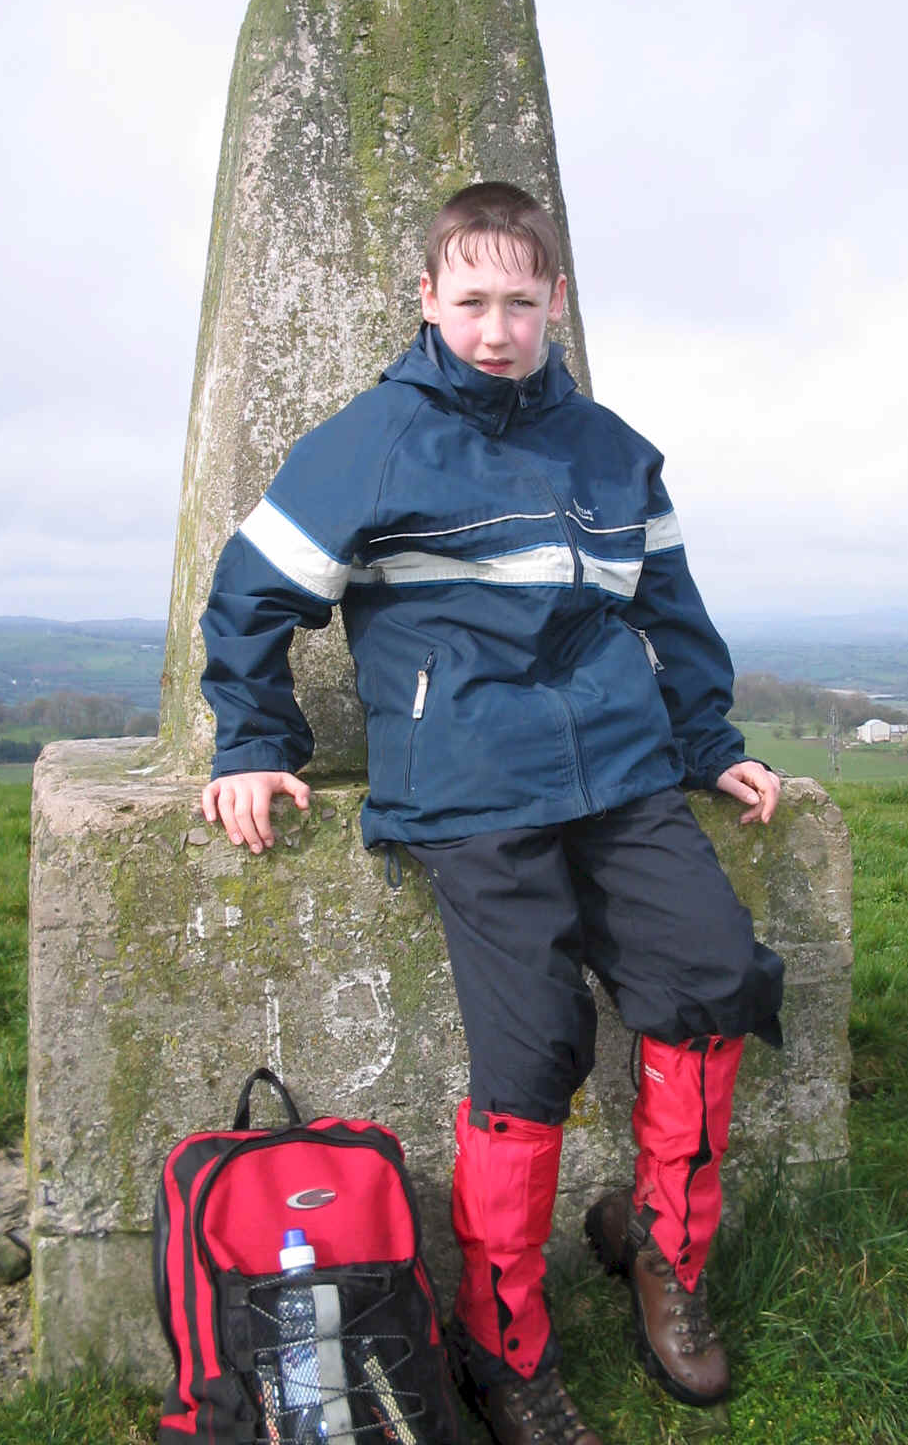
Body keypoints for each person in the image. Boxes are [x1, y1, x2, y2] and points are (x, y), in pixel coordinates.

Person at [199, 181, 784, 1445]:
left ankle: (662, 1255)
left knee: (716, 977)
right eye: (470, 299)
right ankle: (501, 1335)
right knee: (531, 1054)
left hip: (624, 772)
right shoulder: (373, 440)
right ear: (426, 298)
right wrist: (251, 741)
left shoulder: (612, 448)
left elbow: (671, 613)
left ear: (556, 301)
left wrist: (711, 745)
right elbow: (251, 593)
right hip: (469, 786)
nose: (496, 328)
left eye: (522, 300)